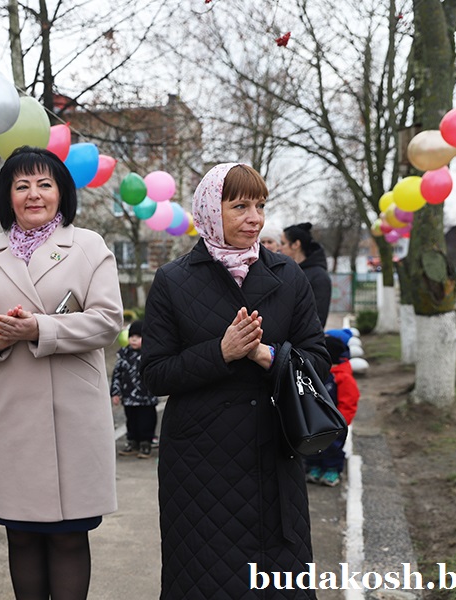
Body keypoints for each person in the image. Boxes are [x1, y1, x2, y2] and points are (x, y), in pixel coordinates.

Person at [0, 146, 123, 599]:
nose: (34, 194)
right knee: (20, 534)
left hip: (73, 418)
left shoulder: (88, 247)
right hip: (11, 415)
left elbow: (107, 322)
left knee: (68, 536)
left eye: (44, 184)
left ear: (62, 193)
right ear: (7, 196)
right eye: (22, 186)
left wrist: (39, 328)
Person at [141, 163, 330, 599]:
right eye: (240, 206)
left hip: (274, 451)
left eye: (260, 206)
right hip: (199, 464)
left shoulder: (288, 275)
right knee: (205, 580)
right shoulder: (173, 280)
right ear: (211, 210)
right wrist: (220, 352)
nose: (254, 218)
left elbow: (318, 361)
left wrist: (267, 355)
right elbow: (154, 373)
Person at [306, 334, 360, 487]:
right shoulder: (318, 373)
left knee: (333, 447)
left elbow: (349, 403)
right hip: (315, 420)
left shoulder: (342, 378)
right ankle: (314, 466)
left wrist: (340, 422)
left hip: (334, 422)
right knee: (313, 445)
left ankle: (332, 469)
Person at [111, 320, 159, 459]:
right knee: (131, 420)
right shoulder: (124, 355)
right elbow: (117, 374)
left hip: (146, 398)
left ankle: (146, 443)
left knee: (146, 421)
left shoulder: (149, 354)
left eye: (138, 337)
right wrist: (115, 392)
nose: (133, 339)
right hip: (129, 397)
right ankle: (133, 442)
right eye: (131, 336)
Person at [281, 222, 332, 328]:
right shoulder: (287, 270)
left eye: (283, 243)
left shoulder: (319, 277)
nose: (280, 248)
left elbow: (318, 319)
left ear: (296, 244)